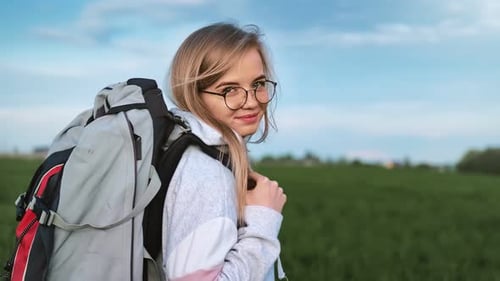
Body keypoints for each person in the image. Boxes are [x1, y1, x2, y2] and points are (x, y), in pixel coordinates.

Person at [162, 22, 287, 281]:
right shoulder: (208, 174)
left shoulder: (185, 148)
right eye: (229, 90)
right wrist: (263, 220)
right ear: (194, 94)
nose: (252, 101)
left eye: (259, 84)